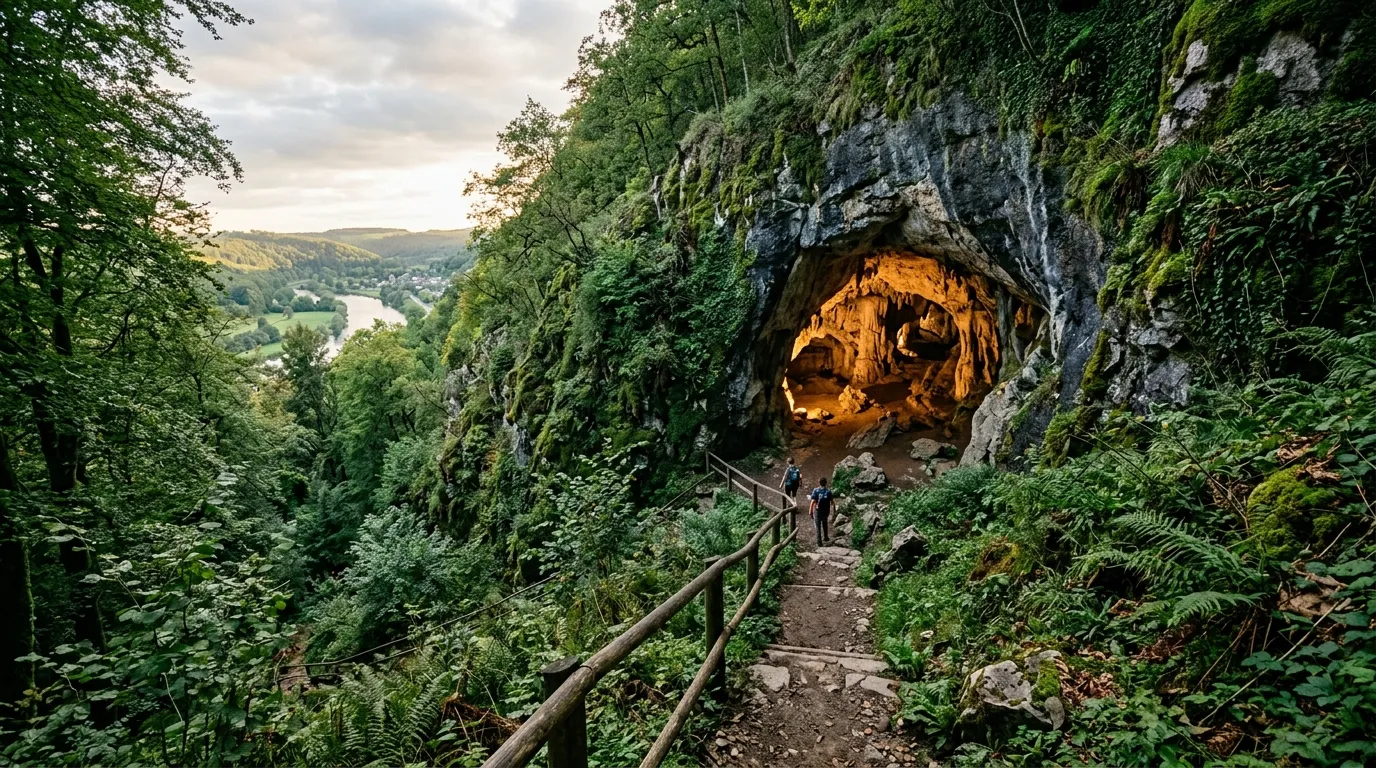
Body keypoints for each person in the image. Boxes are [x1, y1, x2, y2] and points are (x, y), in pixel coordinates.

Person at [809, 477, 834, 545]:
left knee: (818, 525)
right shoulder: (828, 491)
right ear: (826, 483)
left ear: (819, 483)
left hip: (818, 511)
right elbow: (832, 502)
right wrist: (834, 511)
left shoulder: (816, 490)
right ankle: (826, 537)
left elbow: (813, 501)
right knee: (824, 523)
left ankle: (819, 541)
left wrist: (810, 510)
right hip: (826, 511)